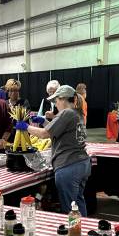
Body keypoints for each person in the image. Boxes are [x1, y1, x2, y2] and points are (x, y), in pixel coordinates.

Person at [27, 85, 90, 216]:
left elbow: (45, 134)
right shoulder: (77, 113)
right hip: (82, 163)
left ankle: (75, 234)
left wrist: (26, 127)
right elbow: (56, 130)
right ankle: (84, 231)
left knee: (70, 209)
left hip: (68, 165)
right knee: (77, 202)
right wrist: (44, 121)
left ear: (63, 99)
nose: (55, 104)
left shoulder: (66, 113)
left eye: (56, 101)